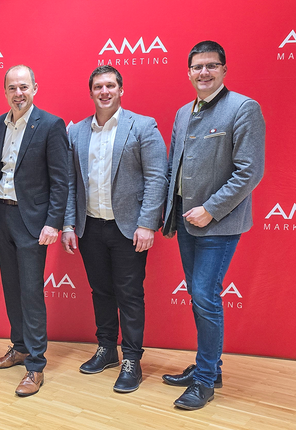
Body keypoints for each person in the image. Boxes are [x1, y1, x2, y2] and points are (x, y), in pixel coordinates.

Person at [161, 41, 265, 410]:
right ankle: (211, 366)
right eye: (197, 67)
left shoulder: (243, 108)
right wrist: (166, 215)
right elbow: (173, 166)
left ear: (224, 69)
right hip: (186, 223)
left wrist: (211, 208)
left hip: (218, 224)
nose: (203, 72)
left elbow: (249, 171)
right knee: (199, 295)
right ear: (188, 72)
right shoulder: (181, 113)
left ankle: (205, 381)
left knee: (205, 296)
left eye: (211, 65)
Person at [61, 66, 168, 393]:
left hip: (128, 229)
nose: (104, 91)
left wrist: (148, 223)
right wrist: (68, 223)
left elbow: (156, 178)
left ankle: (132, 358)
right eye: (98, 87)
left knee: (130, 295)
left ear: (121, 90)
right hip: (90, 227)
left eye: (110, 86)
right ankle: (107, 348)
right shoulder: (77, 131)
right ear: (91, 92)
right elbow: (69, 182)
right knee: (101, 291)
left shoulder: (143, 126)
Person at [0, 65, 70, 396]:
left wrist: (53, 222)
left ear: (35, 88)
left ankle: (35, 365)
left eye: (23, 87)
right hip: (3, 216)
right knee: (11, 286)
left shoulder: (50, 125)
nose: (18, 93)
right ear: (4, 91)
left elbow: (61, 180)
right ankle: (18, 347)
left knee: (31, 292)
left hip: (33, 221)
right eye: (12, 88)